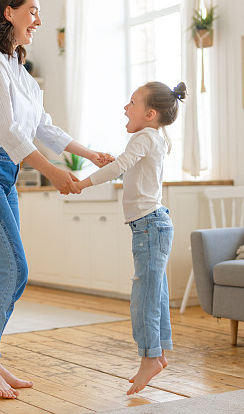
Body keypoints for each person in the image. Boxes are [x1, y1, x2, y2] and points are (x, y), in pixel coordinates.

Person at [0, 0, 112, 399]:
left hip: (1, 174)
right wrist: (54, 172)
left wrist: (88, 153)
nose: (38, 20)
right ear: (9, 12)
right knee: (13, 269)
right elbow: (6, 130)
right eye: (32, 11)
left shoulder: (18, 69)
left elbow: (41, 125)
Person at [75, 81, 186, 395]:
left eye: (132, 102)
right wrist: (117, 164)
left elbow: (122, 167)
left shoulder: (145, 136)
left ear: (150, 113)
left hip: (150, 227)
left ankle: (150, 357)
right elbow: (128, 168)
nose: (126, 107)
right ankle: (159, 353)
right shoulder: (155, 137)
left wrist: (82, 184)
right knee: (156, 294)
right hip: (154, 225)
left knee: (144, 299)